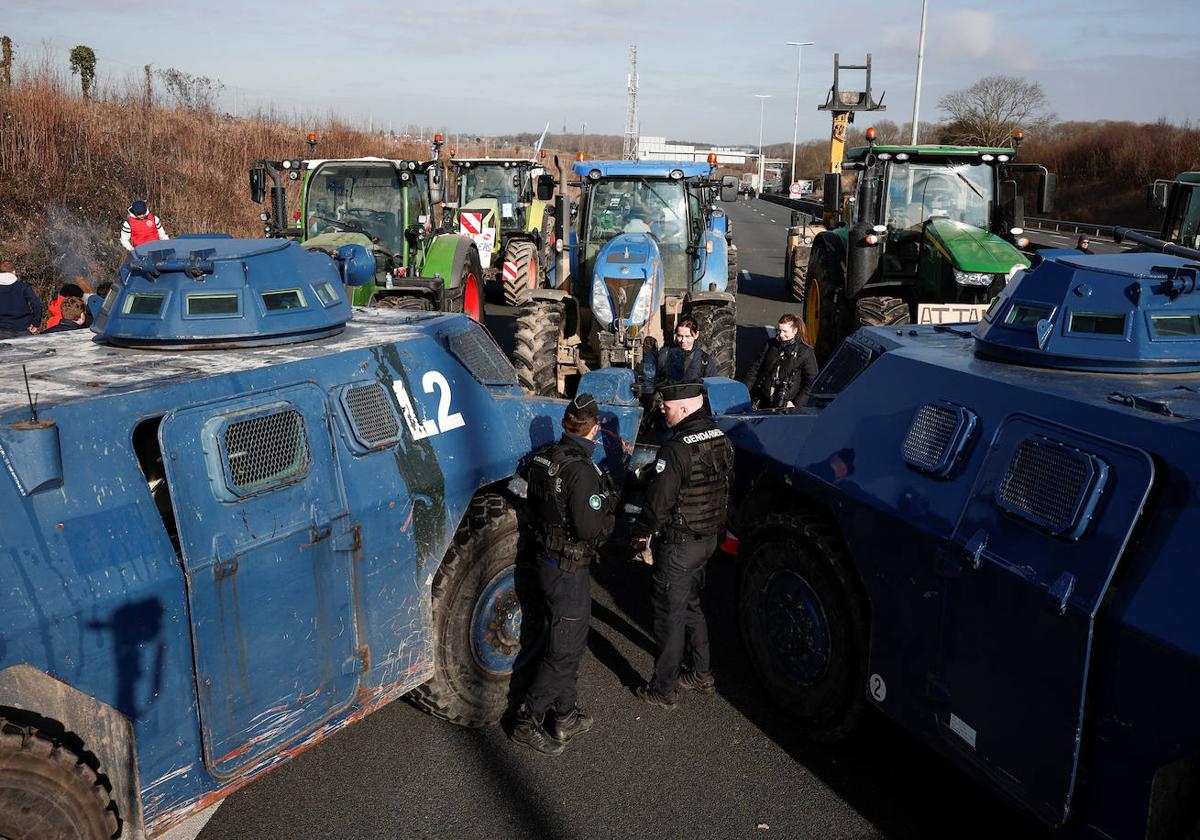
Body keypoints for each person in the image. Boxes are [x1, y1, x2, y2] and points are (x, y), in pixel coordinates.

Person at [512, 393, 617, 755]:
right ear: (595, 428)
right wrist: (609, 512)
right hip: (569, 569)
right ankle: (528, 720)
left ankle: (565, 713)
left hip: (546, 560)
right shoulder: (583, 472)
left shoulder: (541, 458)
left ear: (564, 424)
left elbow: (519, 490)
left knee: (567, 642)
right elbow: (590, 529)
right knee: (563, 650)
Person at [631, 380, 734, 709]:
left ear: (687, 407)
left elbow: (658, 503)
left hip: (679, 545)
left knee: (668, 616)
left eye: (668, 406)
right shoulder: (721, 438)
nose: (663, 408)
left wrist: (640, 534)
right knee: (691, 605)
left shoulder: (675, 449)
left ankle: (663, 689)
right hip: (708, 540)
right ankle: (701, 673)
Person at [743, 313, 819, 410]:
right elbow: (755, 369)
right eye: (779, 330)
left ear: (795, 331)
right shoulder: (770, 345)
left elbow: (811, 381)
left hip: (786, 405)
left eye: (785, 331)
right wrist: (744, 393)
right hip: (762, 400)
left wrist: (796, 403)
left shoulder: (805, 352)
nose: (781, 335)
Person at [655, 316, 718, 385]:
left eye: (687, 336)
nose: (683, 340)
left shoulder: (705, 361)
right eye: (680, 336)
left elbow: (712, 388)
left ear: (696, 335)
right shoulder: (664, 355)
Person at [0, 260, 42, 337]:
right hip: (22, 328)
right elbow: (36, 304)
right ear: (14, 272)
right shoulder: (23, 286)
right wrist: (36, 324)